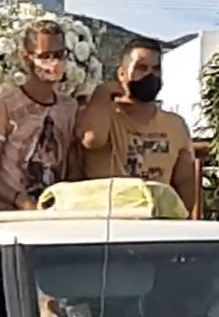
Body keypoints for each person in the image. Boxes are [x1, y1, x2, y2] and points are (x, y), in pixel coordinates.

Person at [76, 37, 196, 212]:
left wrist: (181, 217)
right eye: (141, 67)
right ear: (122, 74)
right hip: (109, 217)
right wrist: (102, 93)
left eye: (156, 69)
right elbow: (92, 140)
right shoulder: (105, 115)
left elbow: (185, 181)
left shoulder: (175, 124)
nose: (150, 74)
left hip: (157, 218)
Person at [0, 21, 80, 210]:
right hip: (10, 216)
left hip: (55, 215)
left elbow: (72, 168)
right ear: (26, 58)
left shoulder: (70, 108)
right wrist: (21, 201)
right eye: (45, 56)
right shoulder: (5, 104)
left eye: (59, 55)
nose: (54, 63)